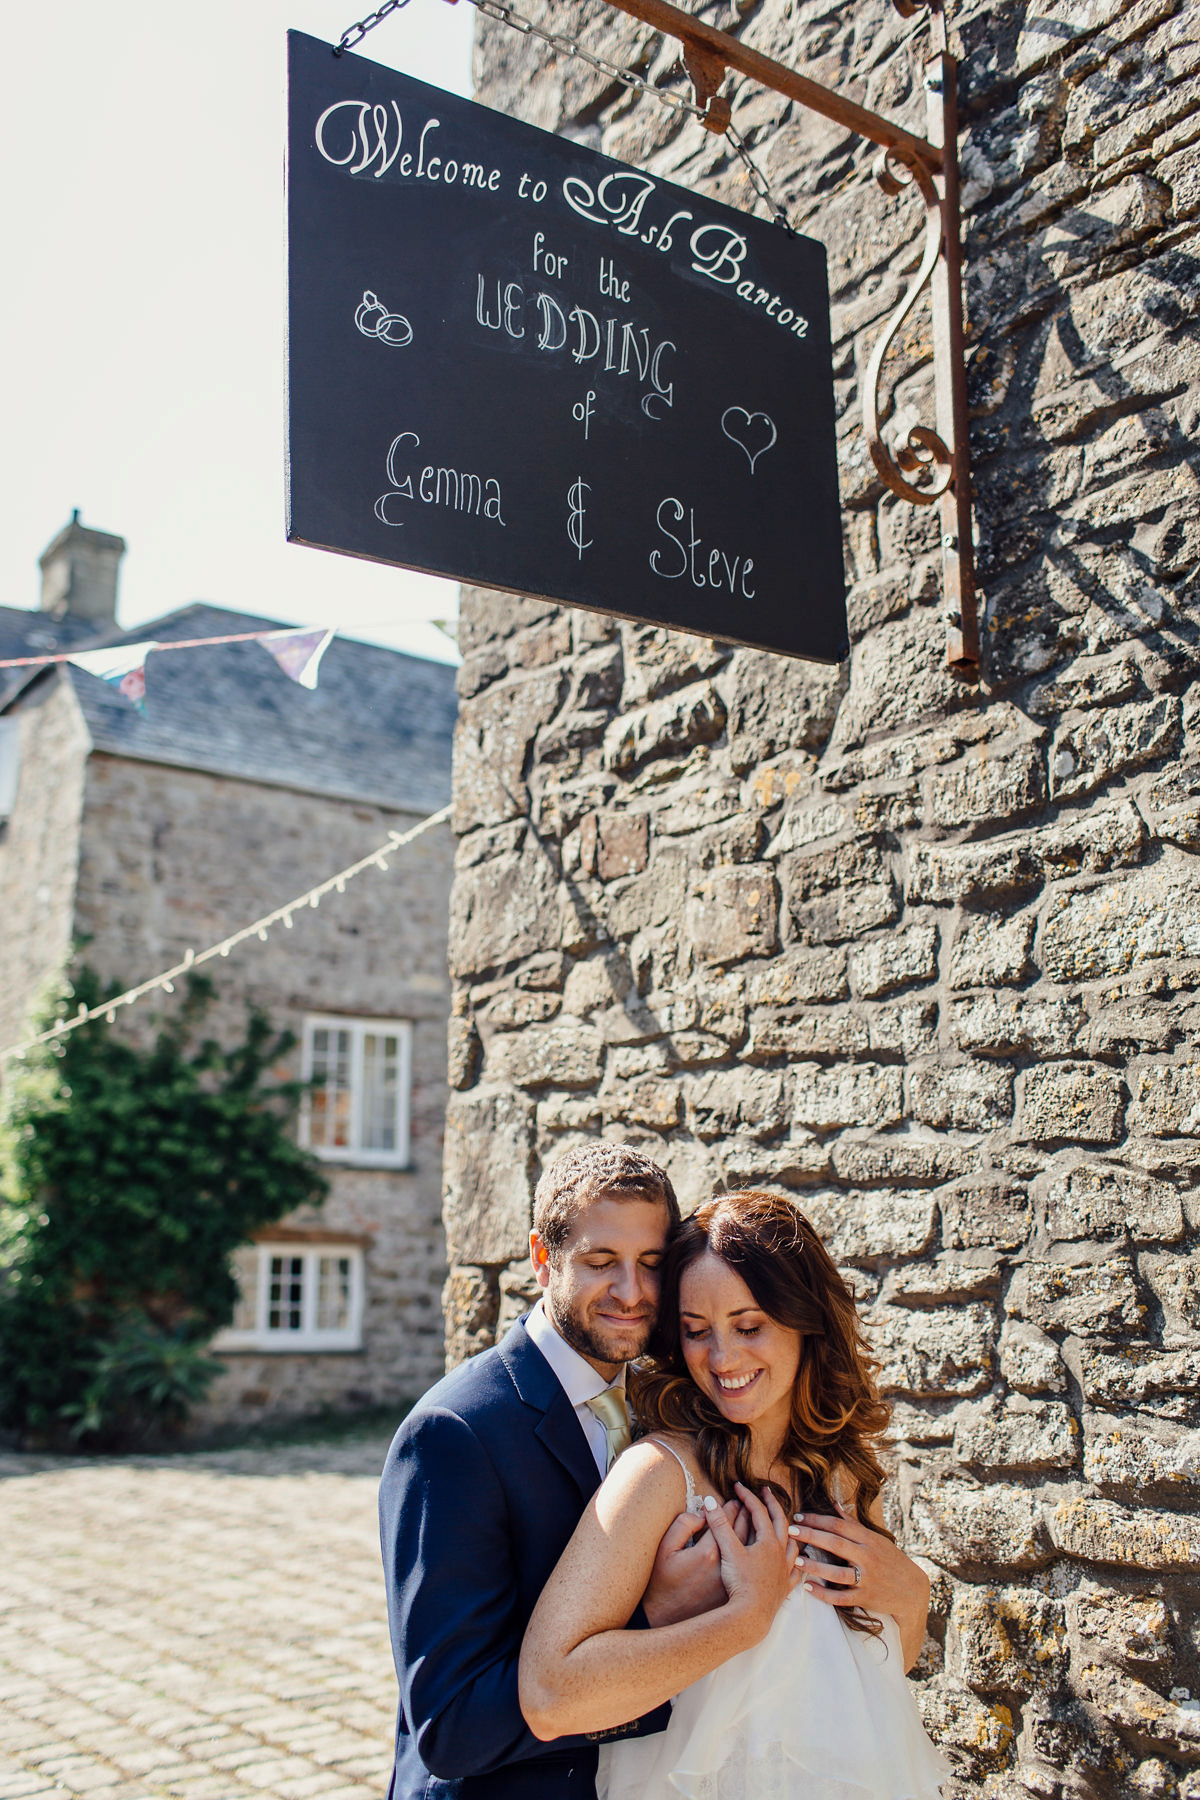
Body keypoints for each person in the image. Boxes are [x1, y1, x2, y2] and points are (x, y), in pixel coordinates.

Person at [519, 1189, 948, 1800]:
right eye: (696, 1331)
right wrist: (744, 1619)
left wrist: (911, 1596)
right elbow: (550, 1696)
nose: (722, 1358)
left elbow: (870, 1677)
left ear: (807, 1322)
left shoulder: (844, 1476)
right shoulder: (660, 1476)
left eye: (748, 1326)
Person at [378, 1142, 764, 1800]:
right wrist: (657, 1616)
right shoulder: (454, 1434)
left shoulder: (671, 1406)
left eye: (649, 1264)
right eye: (600, 1261)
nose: (632, 1292)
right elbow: (453, 1726)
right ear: (541, 1258)